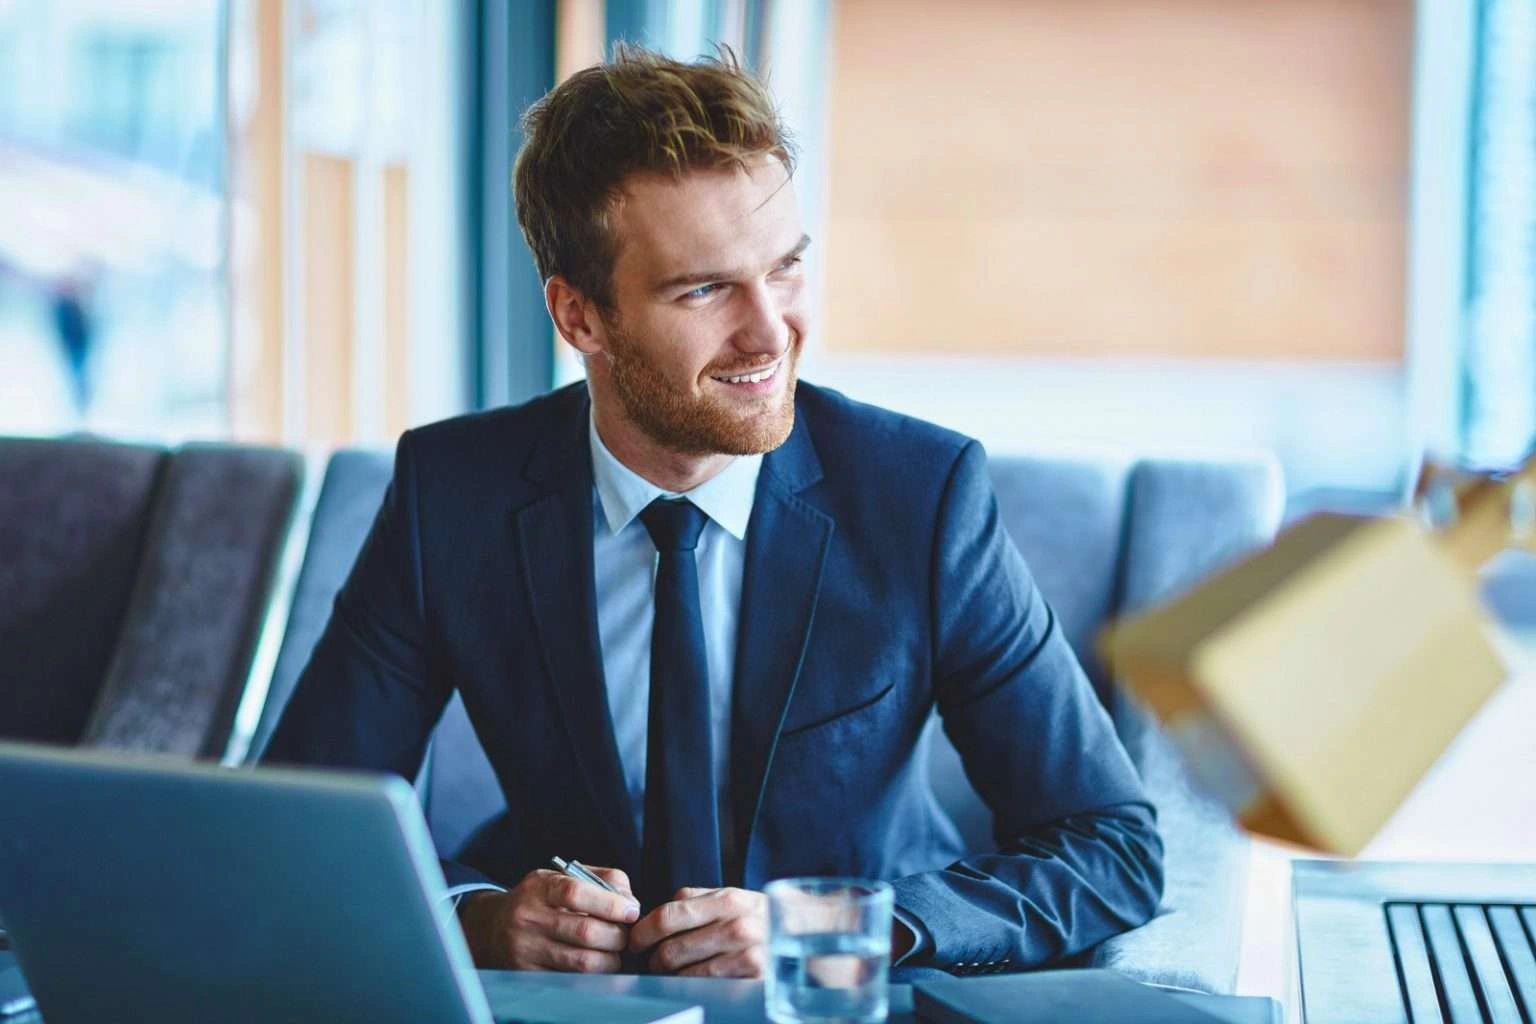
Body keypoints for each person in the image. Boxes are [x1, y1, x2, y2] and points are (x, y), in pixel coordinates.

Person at [265, 45, 1162, 980]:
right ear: (580, 318)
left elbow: (1111, 847)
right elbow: (302, 821)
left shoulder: (921, 496)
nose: (771, 332)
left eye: (785, 269)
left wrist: (832, 934)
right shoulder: (452, 492)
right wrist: (481, 920)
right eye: (704, 289)